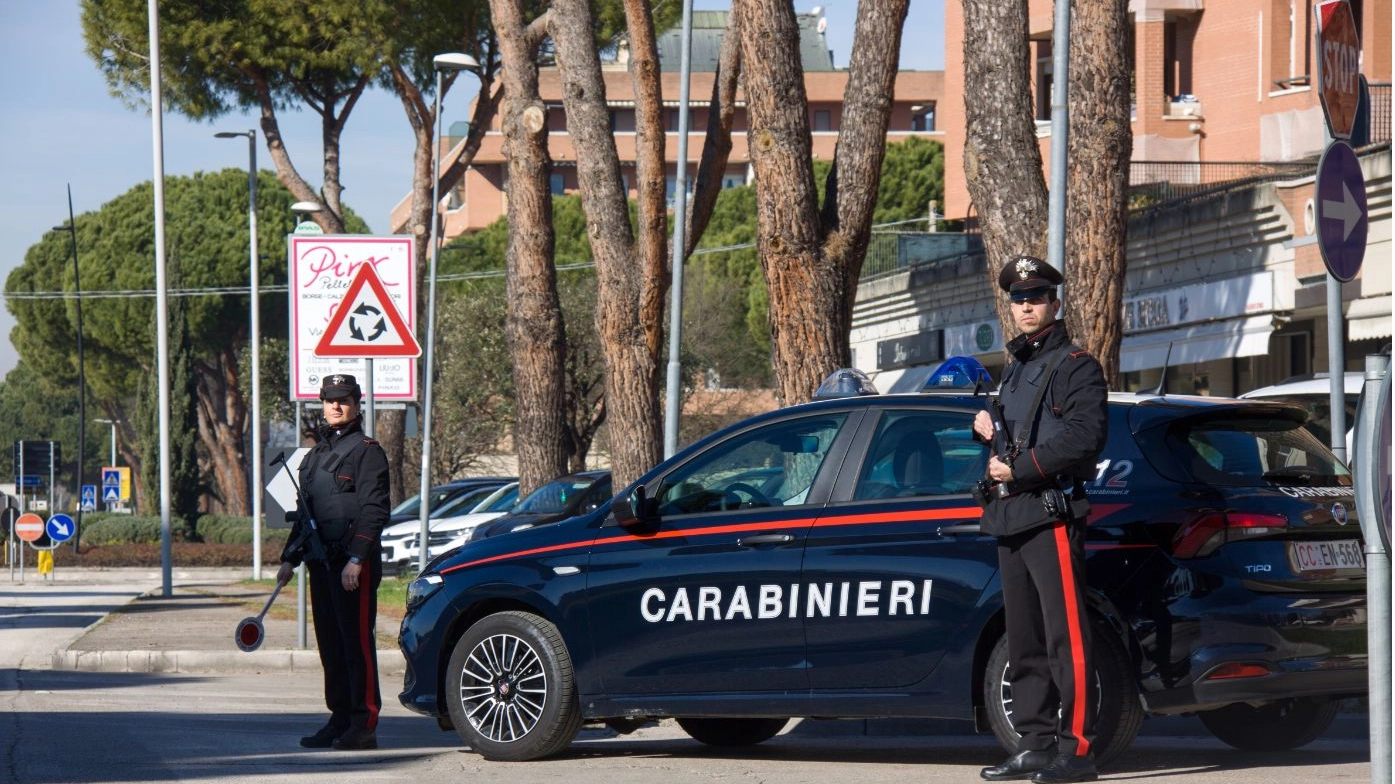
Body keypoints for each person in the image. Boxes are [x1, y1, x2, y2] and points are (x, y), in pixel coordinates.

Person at [972, 256, 1108, 784]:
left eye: (1036, 297)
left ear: (1055, 302)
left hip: (1050, 511)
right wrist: (988, 431)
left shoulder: (1075, 364)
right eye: (1018, 299)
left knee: (1064, 639)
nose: (1026, 306)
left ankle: (1077, 752)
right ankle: (1033, 741)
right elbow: (1017, 435)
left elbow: (1084, 437)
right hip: (1010, 514)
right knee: (1023, 638)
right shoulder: (1018, 367)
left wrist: (1020, 467)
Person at [276, 374, 391, 751]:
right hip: (321, 564)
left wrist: (357, 558)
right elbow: (305, 513)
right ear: (322, 404)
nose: (336, 406)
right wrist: (288, 559)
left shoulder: (367, 451)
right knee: (331, 645)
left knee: (356, 644)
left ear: (357, 403)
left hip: (351, 566)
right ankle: (340, 717)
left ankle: (363, 723)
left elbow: (374, 511)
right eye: (329, 400)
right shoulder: (314, 457)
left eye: (344, 399)